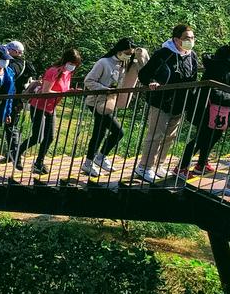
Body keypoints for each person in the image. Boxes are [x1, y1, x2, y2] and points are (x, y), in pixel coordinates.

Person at [135, 24, 200, 183]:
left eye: (192, 38)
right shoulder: (164, 54)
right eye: (186, 38)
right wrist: (152, 82)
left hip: (179, 103)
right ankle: (144, 166)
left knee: (170, 136)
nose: (190, 41)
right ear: (176, 39)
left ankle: (158, 165)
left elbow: (193, 78)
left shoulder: (191, 56)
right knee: (156, 135)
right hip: (161, 102)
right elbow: (144, 74)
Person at [81, 38, 141, 176]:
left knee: (101, 132)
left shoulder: (124, 64)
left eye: (130, 54)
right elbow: (88, 80)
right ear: (119, 50)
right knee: (115, 131)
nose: (128, 56)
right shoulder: (104, 62)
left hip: (109, 102)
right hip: (97, 102)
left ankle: (94, 160)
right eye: (126, 53)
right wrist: (105, 89)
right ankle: (94, 160)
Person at [18, 48, 80, 176]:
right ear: (65, 61)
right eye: (72, 63)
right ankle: (16, 152)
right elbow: (45, 92)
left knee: (50, 137)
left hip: (51, 108)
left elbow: (63, 89)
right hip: (39, 105)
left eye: (75, 65)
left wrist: (70, 91)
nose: (73, 67)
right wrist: (64, 93)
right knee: (37, 137)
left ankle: (39, 162)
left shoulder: (67, 74)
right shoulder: (53, 71)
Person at [177, 44, 230, 178]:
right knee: (202, 136)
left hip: (220, 107)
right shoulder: (219, 67)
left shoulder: (221, 65)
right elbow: (218, 89)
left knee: (215, 135)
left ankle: (201, 163)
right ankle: (181, 167)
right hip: (207, 106)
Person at [0, 40, 35, 163]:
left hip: (11, 99)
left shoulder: (15, 64)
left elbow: (8, 78)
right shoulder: (24, 63)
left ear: (15, 51)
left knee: (7, 126)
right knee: (5, 126)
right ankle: (8, 153)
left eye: (8, 50)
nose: (6, 53)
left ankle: (12, 154)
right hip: (15, 99)